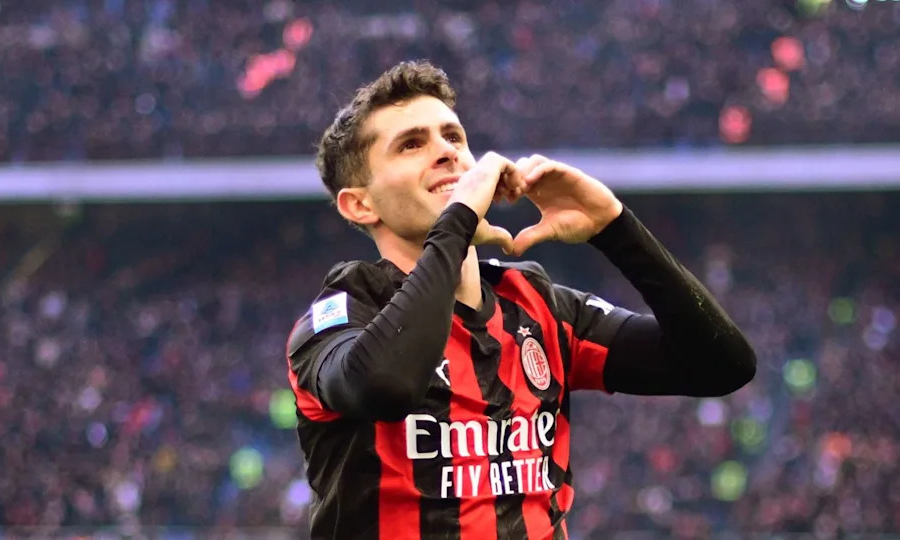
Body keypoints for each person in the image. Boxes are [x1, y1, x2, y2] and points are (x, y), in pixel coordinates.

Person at [285, 61, 757, 540]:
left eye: (453, 136)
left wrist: (615, 227)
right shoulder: (339, 317)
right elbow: (385, 384)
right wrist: (458, 218)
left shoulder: (537, 307)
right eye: (411, 145)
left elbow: (722, 365)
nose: (446, 152)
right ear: (360, 204)